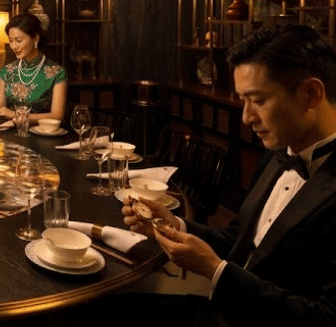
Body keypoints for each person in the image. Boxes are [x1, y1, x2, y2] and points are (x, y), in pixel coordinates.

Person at [119, 24, 336, 326]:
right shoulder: (277, 155)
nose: (246, 117)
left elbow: (324, 317)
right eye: (243, 100)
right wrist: (176, 224)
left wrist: (215, 271)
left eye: (258, 101)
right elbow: (239, 236)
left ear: (311, 93)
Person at [0, 13, 66, 124]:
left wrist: (15, 115)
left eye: (19, 40)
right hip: (8, 131)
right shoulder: (8, 70)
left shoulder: (57, 72)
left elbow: (56, 116)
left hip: (41, 135)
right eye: (11, 41)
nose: (14, 46)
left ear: (35, 38)